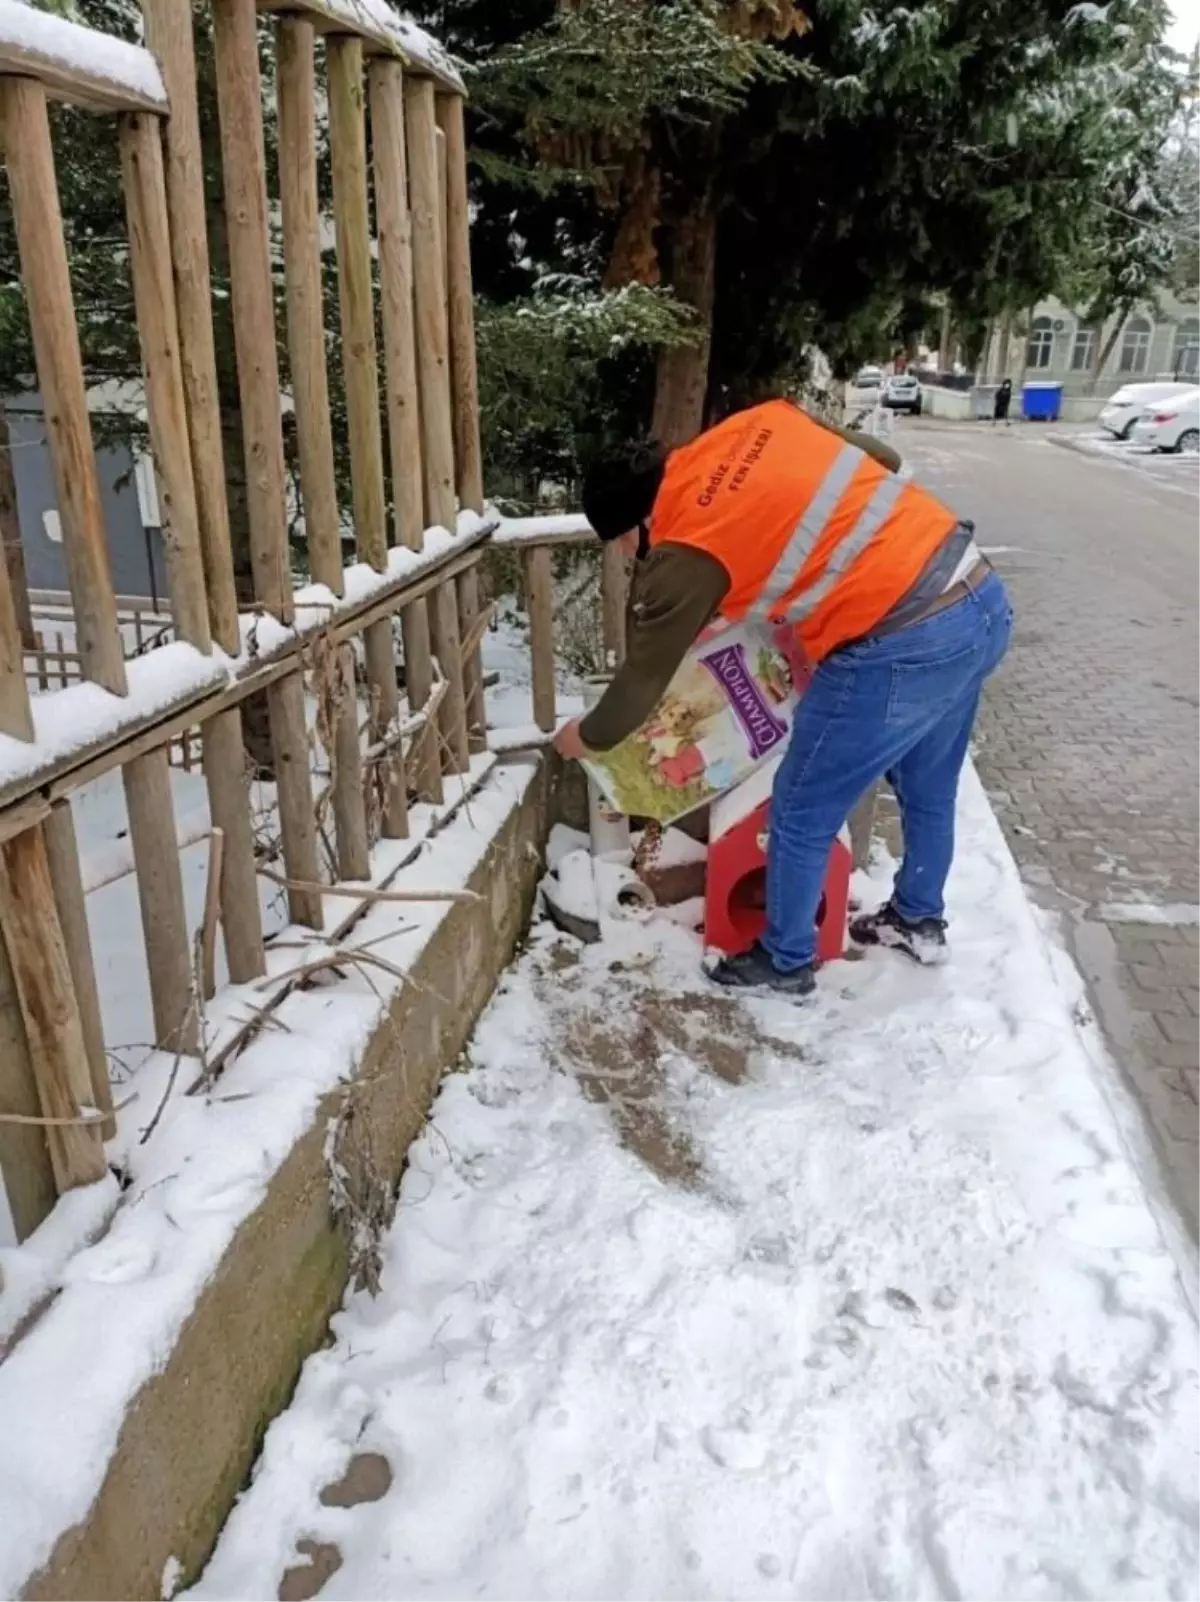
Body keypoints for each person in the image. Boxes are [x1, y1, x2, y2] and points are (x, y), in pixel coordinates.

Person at [553, 397, 1012, 998]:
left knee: (799, 806)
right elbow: (883, 459)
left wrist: (582, 737)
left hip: (897, 635)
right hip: (976, 596)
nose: (624, 555)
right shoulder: (754, 425)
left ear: (639, 523)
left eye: (620, 543)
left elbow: (640, 685)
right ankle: (917, 917)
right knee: (928, 787)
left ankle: (785, 959)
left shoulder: (684, 545)